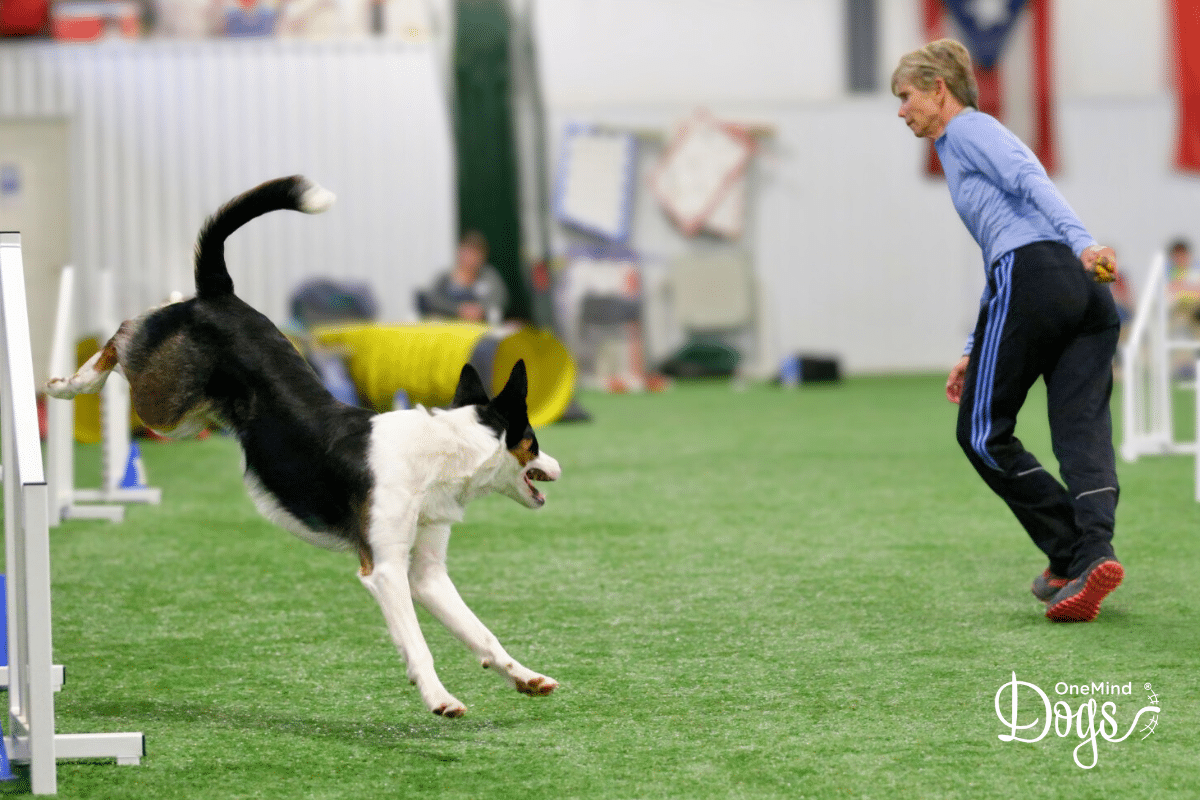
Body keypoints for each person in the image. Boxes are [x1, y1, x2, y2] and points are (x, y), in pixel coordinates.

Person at [892, 39, 1123, 622]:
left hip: (1044, 273)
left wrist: (1084, 241)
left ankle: (1069, 550)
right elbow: (1002, 252)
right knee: (1081, 430)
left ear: (938, 91)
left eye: (906, 97)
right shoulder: (962, 145)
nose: (902, 111)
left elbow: (1029, 179)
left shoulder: (967, 131)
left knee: (980, 431)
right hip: (1082, 295)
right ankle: (1092, 555)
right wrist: (974, 349)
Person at [418, 230, 509, 324]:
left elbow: (501, 298)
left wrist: (481, 309)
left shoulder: (489, 276)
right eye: (468, 252)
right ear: (460, 252)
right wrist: (458, 309)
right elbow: (432, 299)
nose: (471, 258)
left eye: (475, 253)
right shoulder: (445, 278)